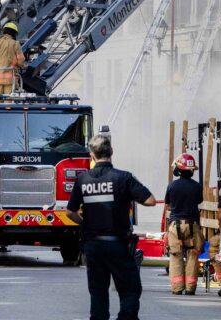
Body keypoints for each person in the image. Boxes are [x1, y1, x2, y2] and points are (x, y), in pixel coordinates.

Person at [66, 133, 156, 320]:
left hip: (93, 246)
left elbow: (70, 212)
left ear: (92, 154)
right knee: (129, 289)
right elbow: (150, 200)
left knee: (98, 292)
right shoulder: (123, 178)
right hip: (119, 245)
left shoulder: (83, 180)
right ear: (111, 152)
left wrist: (85, 223)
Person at [164, 153, 203, 295]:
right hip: (193, 226)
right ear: (192, 170)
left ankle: (177, 287)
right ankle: (190, 288)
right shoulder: (197, 187)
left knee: (176, 255)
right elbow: (199, 201)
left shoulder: (172, 186)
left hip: (175, 226)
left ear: (178, 170)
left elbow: (168, 204)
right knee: (193, 255)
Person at [0, 21, 25, 94]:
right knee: (8, 102)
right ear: (14, 33)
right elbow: (21, 61)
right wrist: (23, 66)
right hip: (9, 80)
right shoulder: (15, 44)